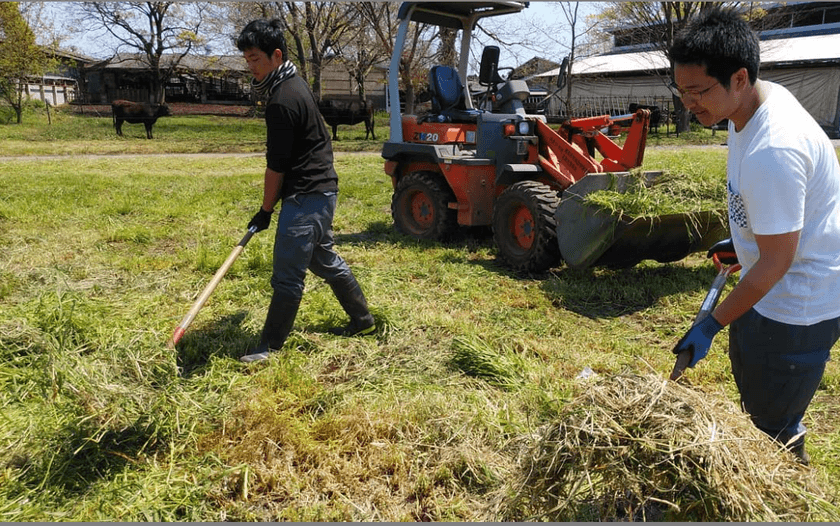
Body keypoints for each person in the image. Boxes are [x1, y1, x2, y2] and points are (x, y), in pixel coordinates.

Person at [669, 8, 840, 465]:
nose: (688, 103)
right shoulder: (752, 103)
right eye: (681, 90)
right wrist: (744, 239)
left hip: (795, 307)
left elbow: (776, 262)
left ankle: (786, 495)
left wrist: (711, 322)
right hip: (768, 287)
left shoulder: (774, 148)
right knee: (755, 397)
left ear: (739, 77)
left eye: (698, 91)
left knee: (772, 429)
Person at [236, 19, 375, 364]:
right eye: (247, 59)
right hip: (322, 191)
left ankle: (268, 349)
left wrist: (266, 211)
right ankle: (364, 321)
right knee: (323, 259)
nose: (250, 66)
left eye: (255, 58)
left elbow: (276, 166)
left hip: (306, 197)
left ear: (276, 55)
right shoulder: (294, 83)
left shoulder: (282, 99)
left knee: (287, 275)